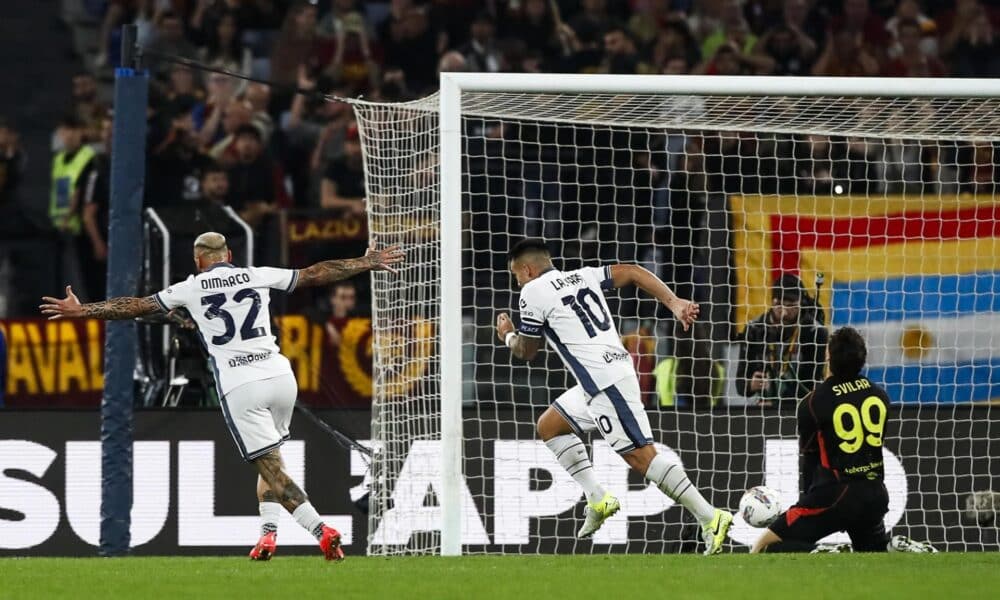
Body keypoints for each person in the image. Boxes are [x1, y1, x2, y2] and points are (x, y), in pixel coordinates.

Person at [40, 232, 405, 561]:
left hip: (240, 384)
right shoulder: (256, 273)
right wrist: (366, 262)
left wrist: (82, 309)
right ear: (229, 254)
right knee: (273, 460)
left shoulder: (190, 287)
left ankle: (321, 532)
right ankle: (268, 537)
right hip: (280, 376)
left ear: (198, 261)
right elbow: (314, 273)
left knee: (271, 468)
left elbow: (135, 306)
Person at [495, 239, 732, 554]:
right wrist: (674, 302)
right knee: (549, 426)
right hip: (600, 380)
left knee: (641, 457)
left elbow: (527, 350)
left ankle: (710, 517)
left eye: (516, 275)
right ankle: (598, 498)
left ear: (526, 269)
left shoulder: (532, 292)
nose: (518, 282)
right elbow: (633, 271)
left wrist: (508, 335)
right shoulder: (584, 276)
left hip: (606, 384)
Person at [751, 327, 936, 554]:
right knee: (872, 552)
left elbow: (811, 460)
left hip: (836, 495)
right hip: (875, 493)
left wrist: (808, 502)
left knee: (764, 547)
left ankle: (830, 552)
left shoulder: (812, 403)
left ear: (828, 359)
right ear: (863, 359)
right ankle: (894, 547)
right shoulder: (880, 395)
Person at [737, 273, 827, 405]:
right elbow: (740, 384)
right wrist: (750, 385)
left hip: (803, 407)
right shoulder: (754, 329)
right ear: (772, 301)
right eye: (778, 304)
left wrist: (775, 404)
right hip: (763, 407)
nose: (784, 311)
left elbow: (809, 385)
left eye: (790, 305)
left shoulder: (815, 332)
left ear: (801, 303)